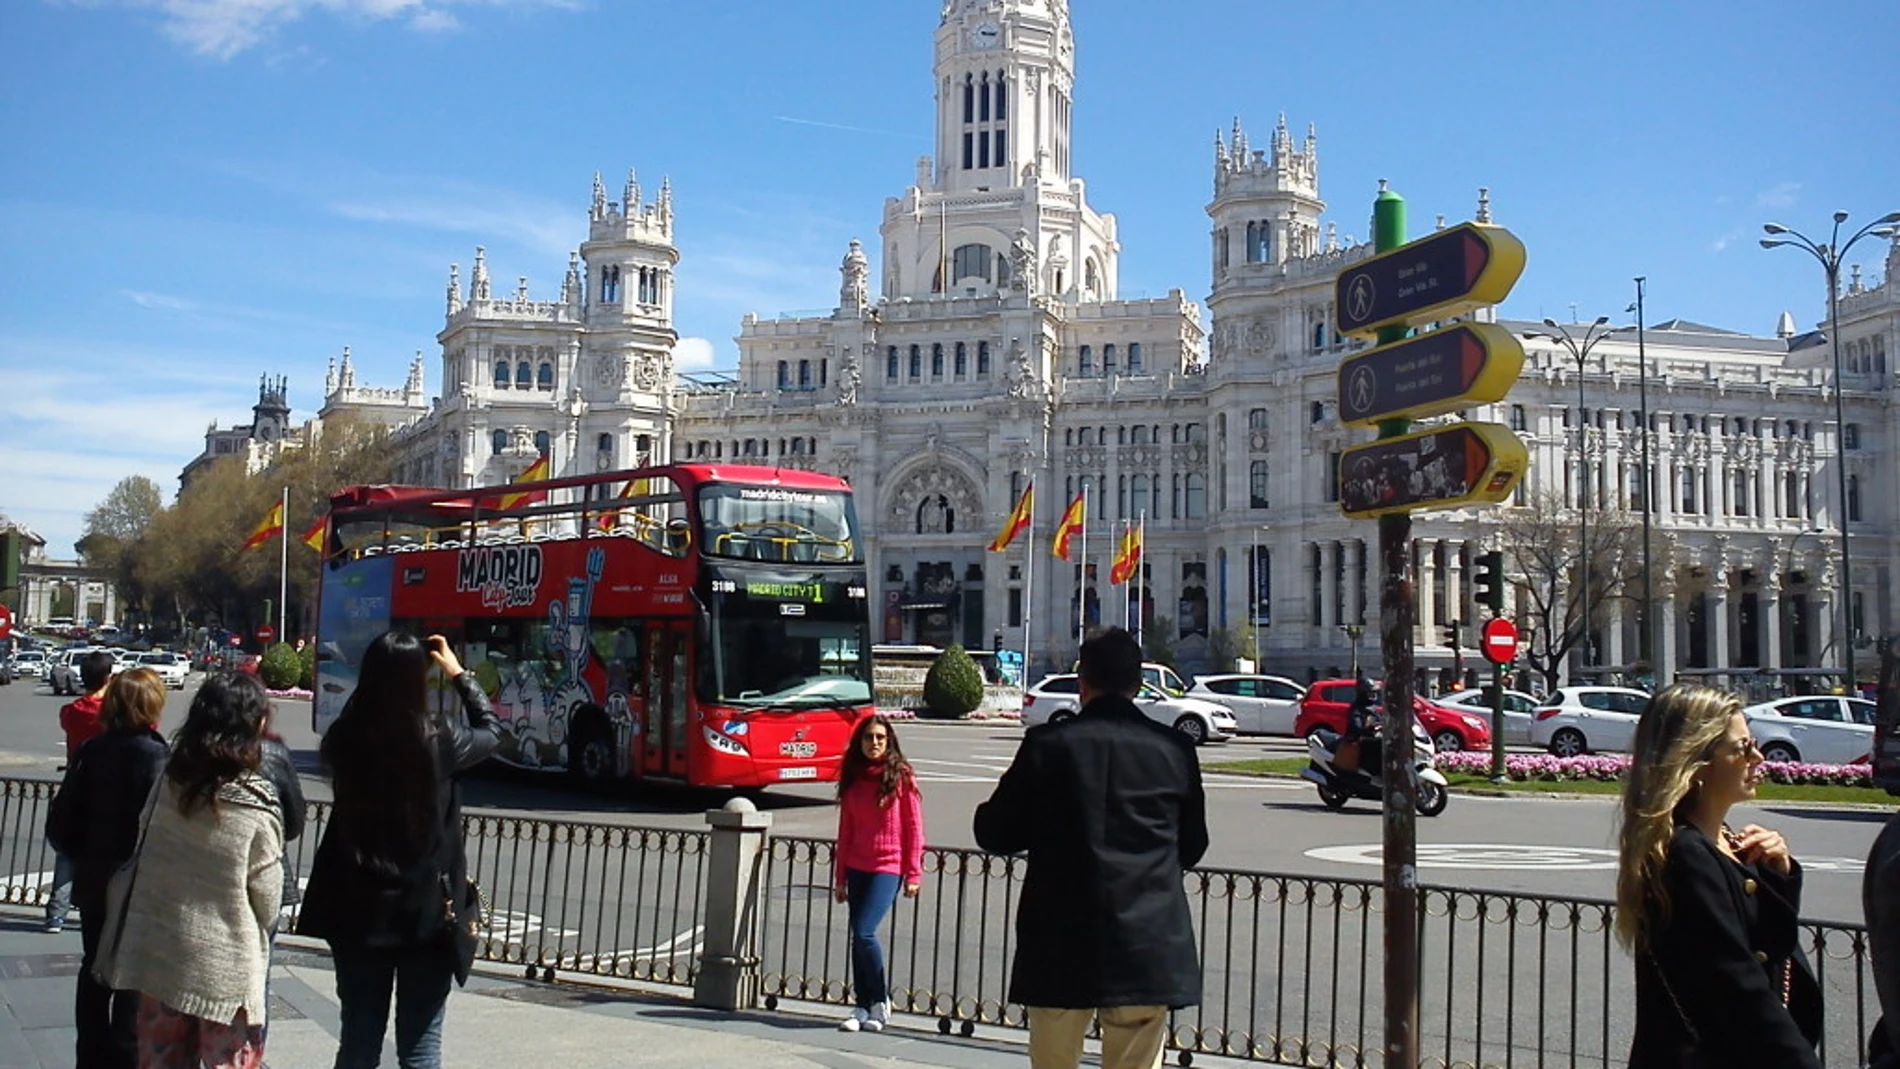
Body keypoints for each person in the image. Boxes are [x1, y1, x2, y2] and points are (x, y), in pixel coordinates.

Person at [974, 627, 1207, 1069]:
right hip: (1146, 941)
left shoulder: (1047, 746)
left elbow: (995, 833)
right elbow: (1193, 845)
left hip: (1060, 940)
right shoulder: (1175, 750)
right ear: (1138, 684)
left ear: (1083, 684)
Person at [296, 631, 501, 1069]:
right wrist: (459, 673)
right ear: (417, 681)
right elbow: (491, 731)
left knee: (358, 1040)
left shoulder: (344, 738)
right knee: (421, 1046)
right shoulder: (438, 740)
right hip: (426, 913)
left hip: (356, 908)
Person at [1615, 683, 1821, 1068]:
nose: (1758, 757)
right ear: (1696, 762)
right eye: (1741, 748)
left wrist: (1779, 874)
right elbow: (1737, 986)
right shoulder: (1683, 855)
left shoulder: (1727, 841)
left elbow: (1770, 953)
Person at [99, 672, 283, 1069]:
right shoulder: (255, 803)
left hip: (160, 954)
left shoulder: (169, 784)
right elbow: (267, 900)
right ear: (256, 725)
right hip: (225, 971)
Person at [46, 667, 169, 1069]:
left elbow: (62, 821)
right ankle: (125, 1056)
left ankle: (91, 1054)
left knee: (94, 967)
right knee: (132, 973)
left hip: (96, 878)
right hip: (138, 881)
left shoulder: (92, 751)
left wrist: (82, 855)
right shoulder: (157, 756)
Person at [831, 714, 925, 1033]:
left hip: (888, 866)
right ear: (860, 743)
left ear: (890, 742)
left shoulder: (901, 777)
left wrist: (914, 874)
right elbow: (846, 830)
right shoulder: (853, 778)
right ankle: (862, 1005)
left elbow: (914, 829)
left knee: (865, 932)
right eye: (869, 737)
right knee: (857, 937)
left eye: (881, 738)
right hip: (857, 865)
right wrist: (840, 877)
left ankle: (880, 1000)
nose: (875, 743)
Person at [47, 650, 118, 933]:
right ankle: (101, 909)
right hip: (108, 786)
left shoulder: (72, 711)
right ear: (108, 678)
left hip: (75, 783)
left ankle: (55, 914)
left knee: (68, 850)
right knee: (107, 852)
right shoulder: (112, 714)